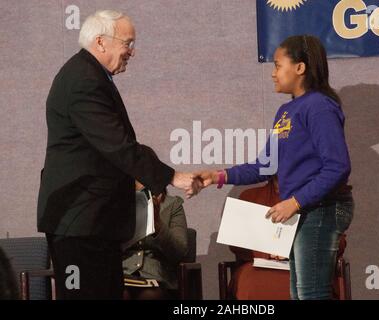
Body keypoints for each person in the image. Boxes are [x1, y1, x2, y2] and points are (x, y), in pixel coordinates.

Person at [37, 10, 200, 300]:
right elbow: (117, 145)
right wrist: (172, 176)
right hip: (80, 224)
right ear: (101, 42)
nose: (132, 52)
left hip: (96, 224)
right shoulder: (84, 80)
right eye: (128, 43)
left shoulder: (92, 75)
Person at [196, 35, 353, 300]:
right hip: (304, 210)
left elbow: (338, 166)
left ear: (300, 68)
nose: (272, 73)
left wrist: (295, 201)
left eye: (278, 65)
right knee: (300, 293)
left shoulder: (318, 106)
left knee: (311, 294)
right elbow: (265, 166)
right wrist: (217, 176)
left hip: (321, 208)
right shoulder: (285, 111)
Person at [123, 184, 188, 300]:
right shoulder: (117, 203)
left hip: (156, 276)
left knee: (148, 296)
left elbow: (180, 252)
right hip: (123, 271)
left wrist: (158, 225)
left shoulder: (173, 204)